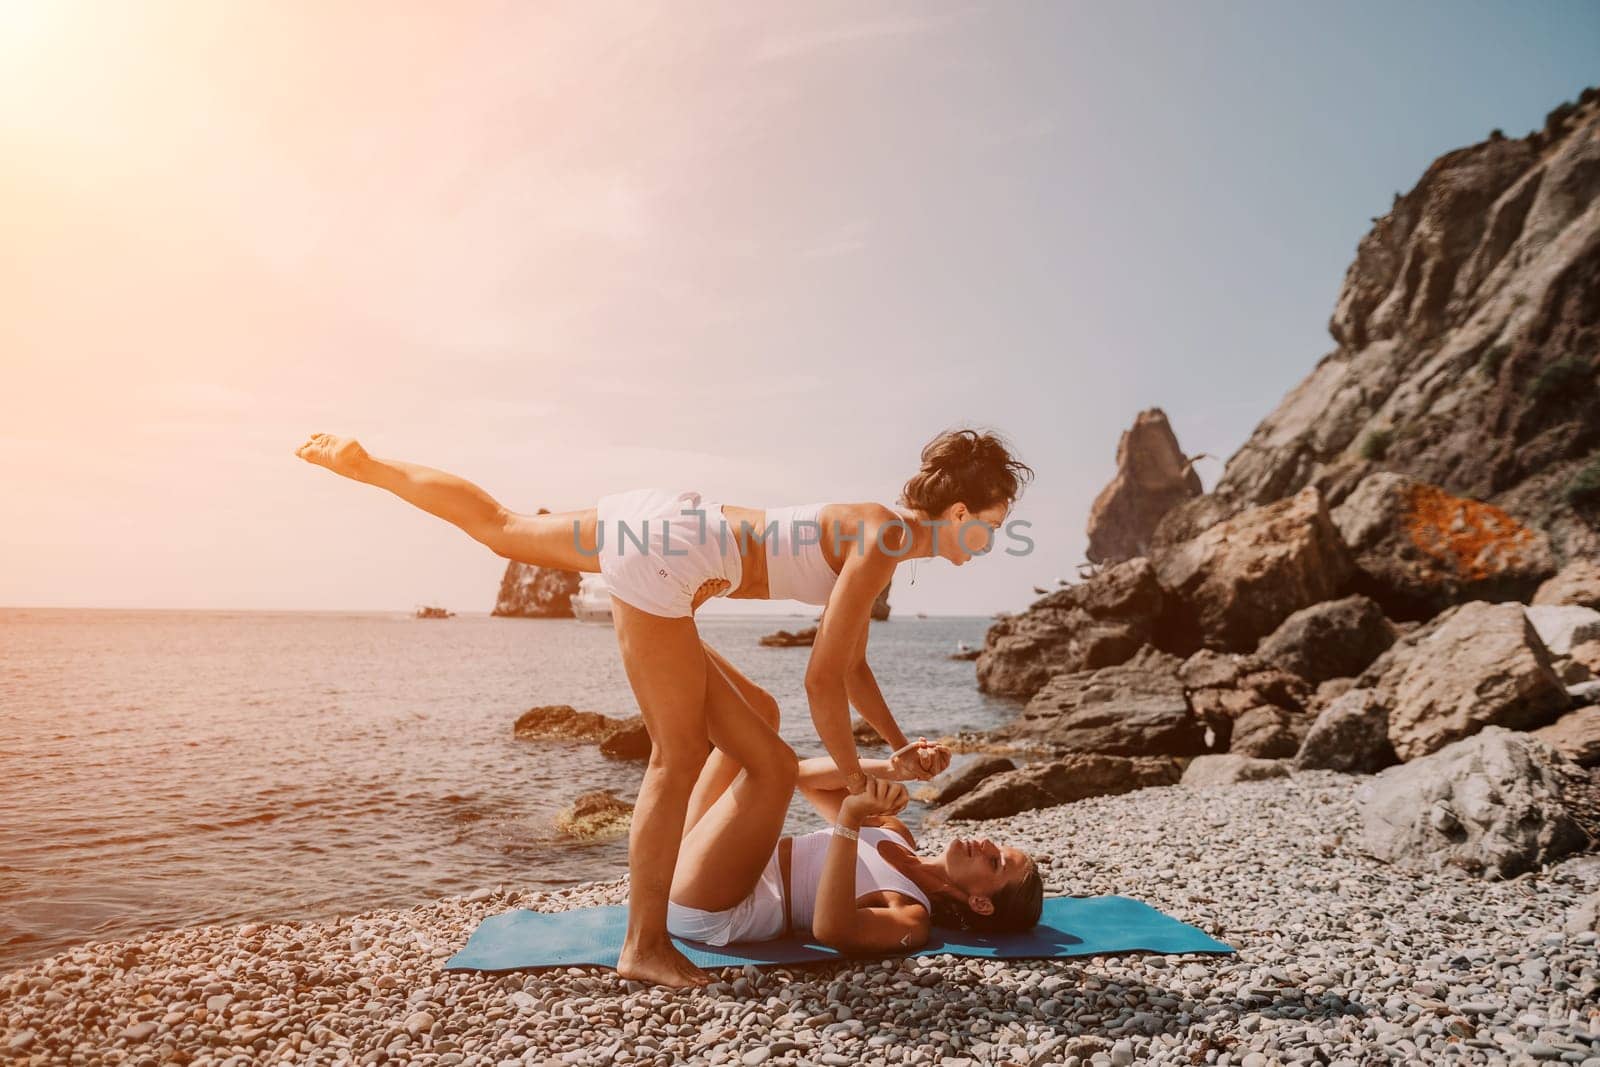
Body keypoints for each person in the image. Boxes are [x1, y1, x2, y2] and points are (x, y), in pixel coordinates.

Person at [294, 427, 1032, 986]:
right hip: (674, 559)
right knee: (684, 754)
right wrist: (857, 780)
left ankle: (370, 464)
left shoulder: (879, 528)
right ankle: (643, 944)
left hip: (666, 518)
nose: (989, 541)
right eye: (990, 526)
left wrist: (896, 749)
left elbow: (854, 665)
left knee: (503, 526)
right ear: (959, 510)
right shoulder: (886, 541)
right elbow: (823, 677)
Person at [666, 736, 1044, 950]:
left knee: (769, 763)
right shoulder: (896, 832)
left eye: (995, 863)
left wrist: (850, 817)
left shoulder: (910, 915)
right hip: (704, 865)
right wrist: (891, 769)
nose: (987, 844)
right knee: (754, 717)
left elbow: (832, 930)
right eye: (998, 847)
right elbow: (804, 778)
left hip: (715, 908)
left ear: (980, 903)